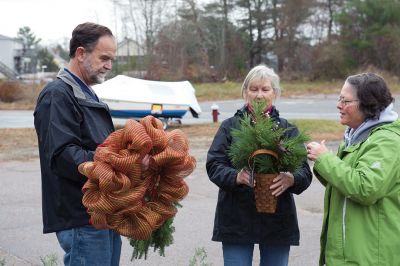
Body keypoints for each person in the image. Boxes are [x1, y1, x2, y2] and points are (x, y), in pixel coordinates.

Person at [206, 64, 312, 266]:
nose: (259, 95)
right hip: (236, 218)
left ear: (275, 93)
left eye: (265, 89)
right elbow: (214, 164)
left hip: (277, 219)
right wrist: (235, 176)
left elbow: (304, 172)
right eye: (253, 89)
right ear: (245, 92)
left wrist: (292, 179)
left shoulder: (287, 130)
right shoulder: (230, 127)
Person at [34, 22, 121, 265]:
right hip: (82, 216)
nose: (109, 65)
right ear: (81, 53)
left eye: (112, 59)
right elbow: (64, 155)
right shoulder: (58, 94)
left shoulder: (87, 94)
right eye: (104, 57)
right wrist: (119, 162)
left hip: (102, 213)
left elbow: (98, 146)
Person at [307, 73, 400, 266]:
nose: (338, 105)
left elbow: (365, 188)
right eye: (339, 99)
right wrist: (323, 162)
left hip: (370, 257)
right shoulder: (356, 135)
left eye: (345, 100)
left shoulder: (386, 141)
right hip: (348, 254)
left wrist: (326, 160)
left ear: (368, 104)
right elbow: (344, 184)